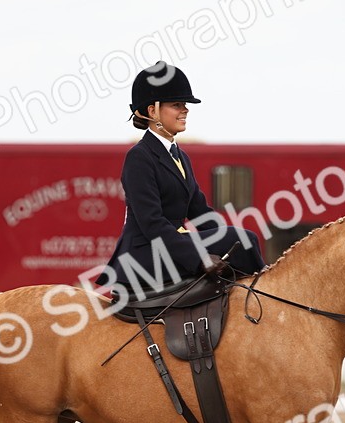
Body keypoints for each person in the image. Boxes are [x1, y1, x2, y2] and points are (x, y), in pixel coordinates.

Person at [102, 62, 266, 299]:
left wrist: (227, 244)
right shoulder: (139, 157)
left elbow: (200, 212)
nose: (185, 110)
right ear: (152, 112)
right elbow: (152, 223)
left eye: (185, 105)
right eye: (176, 105)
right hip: (145, 255)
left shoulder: (180, 156)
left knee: (241, 240)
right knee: (244, 239)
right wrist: (198, 258)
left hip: (171, 247)